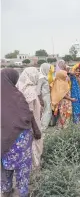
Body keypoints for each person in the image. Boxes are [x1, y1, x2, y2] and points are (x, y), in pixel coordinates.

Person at [1, 69, 41, 197]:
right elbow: (28, 113)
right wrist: (36, 129)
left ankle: (6, 190)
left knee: (5, 165)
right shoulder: (18, 94)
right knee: (22, 166)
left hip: (4, 139)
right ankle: (23, 191)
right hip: (21, 139)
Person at [16, 67, 43, 170]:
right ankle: (34, 168)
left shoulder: (20, 87)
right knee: (34, 144)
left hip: (25, 124)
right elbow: (30, 112)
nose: (37, 77)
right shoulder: (30, 90)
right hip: (32, 123)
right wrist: (35, 129)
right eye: (36, 75)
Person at [37, 63, 52, 131]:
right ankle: (43, 127)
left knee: (46, 111)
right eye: (48, 69)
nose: (49, 71)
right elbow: (38, 91)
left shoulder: (44, 77)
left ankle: (44, 125)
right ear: (45, 69)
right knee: (47, 111)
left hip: (47, 95)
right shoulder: (41, 78)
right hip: (44, 96)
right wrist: (41, 100)